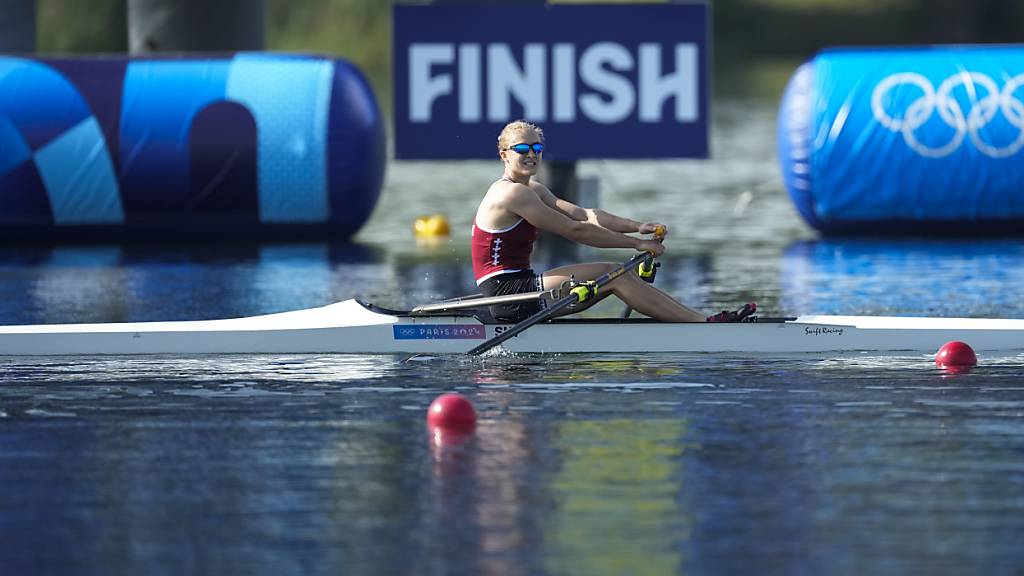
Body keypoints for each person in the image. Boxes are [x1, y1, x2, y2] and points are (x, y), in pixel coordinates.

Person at [471, 120, 754, 323]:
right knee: (615, 273)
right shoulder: (511, 194)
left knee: (616, 275)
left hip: (522, 284)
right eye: (522, 148)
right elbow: (575, 230)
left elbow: (585, 215)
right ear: (504, 155)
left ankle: (699, 319)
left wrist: (637, 227)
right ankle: (702, 324)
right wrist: (636, 245)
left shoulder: (533, 189)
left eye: (536, 147)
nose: (531, 153)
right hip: (506, 295)